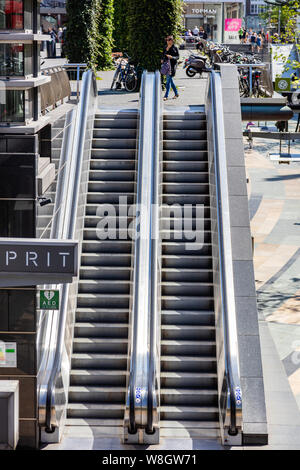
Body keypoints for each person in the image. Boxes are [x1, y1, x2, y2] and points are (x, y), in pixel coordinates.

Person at [162, 36, 179, 101]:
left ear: (172, 41)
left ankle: (166, 96)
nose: (169, 42)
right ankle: (176, 93)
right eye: (168, 40)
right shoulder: (165, 47)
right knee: (170, 81)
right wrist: (167, 50)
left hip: (173, 65)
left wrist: (172, 57)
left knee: (168, 80)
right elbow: (163, 55)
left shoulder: (175, 48)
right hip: (166, 65)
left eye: (170, 40)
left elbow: (177, 57)